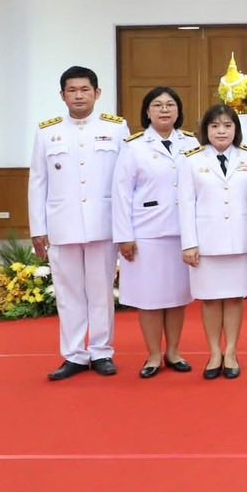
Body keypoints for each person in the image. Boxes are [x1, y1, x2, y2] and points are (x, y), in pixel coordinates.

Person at [30, 66, 127, 381]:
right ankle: (74, 354)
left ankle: (101, 352)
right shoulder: (47, 131)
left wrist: (127, 227)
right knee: (68, 293)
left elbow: (125, 181)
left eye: (85, 89)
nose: (79, 96)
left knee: (100, 291)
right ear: (62, 95)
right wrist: (37, 229)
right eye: (72, 90)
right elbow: (38, 181)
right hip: (63, 224)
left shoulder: (116, 128)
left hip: (103, 223)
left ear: (97, 93)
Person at [111, 86, 200, 379]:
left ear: (178, 110)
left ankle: (173, 351)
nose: (164, 110)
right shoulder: (134, 145)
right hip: (146, 232)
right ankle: (152, 354)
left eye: (170, 104)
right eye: (158, 105)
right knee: (149, 298)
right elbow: (121, 193)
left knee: (177, 296)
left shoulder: (190, 142)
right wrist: (124, 235)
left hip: (182, 234)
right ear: (147, 111)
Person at [179, 104, 247, 379]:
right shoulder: (191, 160)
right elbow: (185, 204)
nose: (221, 131)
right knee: (211, 301)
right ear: (206, 130)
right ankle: (214, 352)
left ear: (236, 129)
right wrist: (189, 243)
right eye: (215, 126)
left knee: (235, 299)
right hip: (206, 242)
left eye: (227, 125)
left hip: (240, 239)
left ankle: (231, 352)